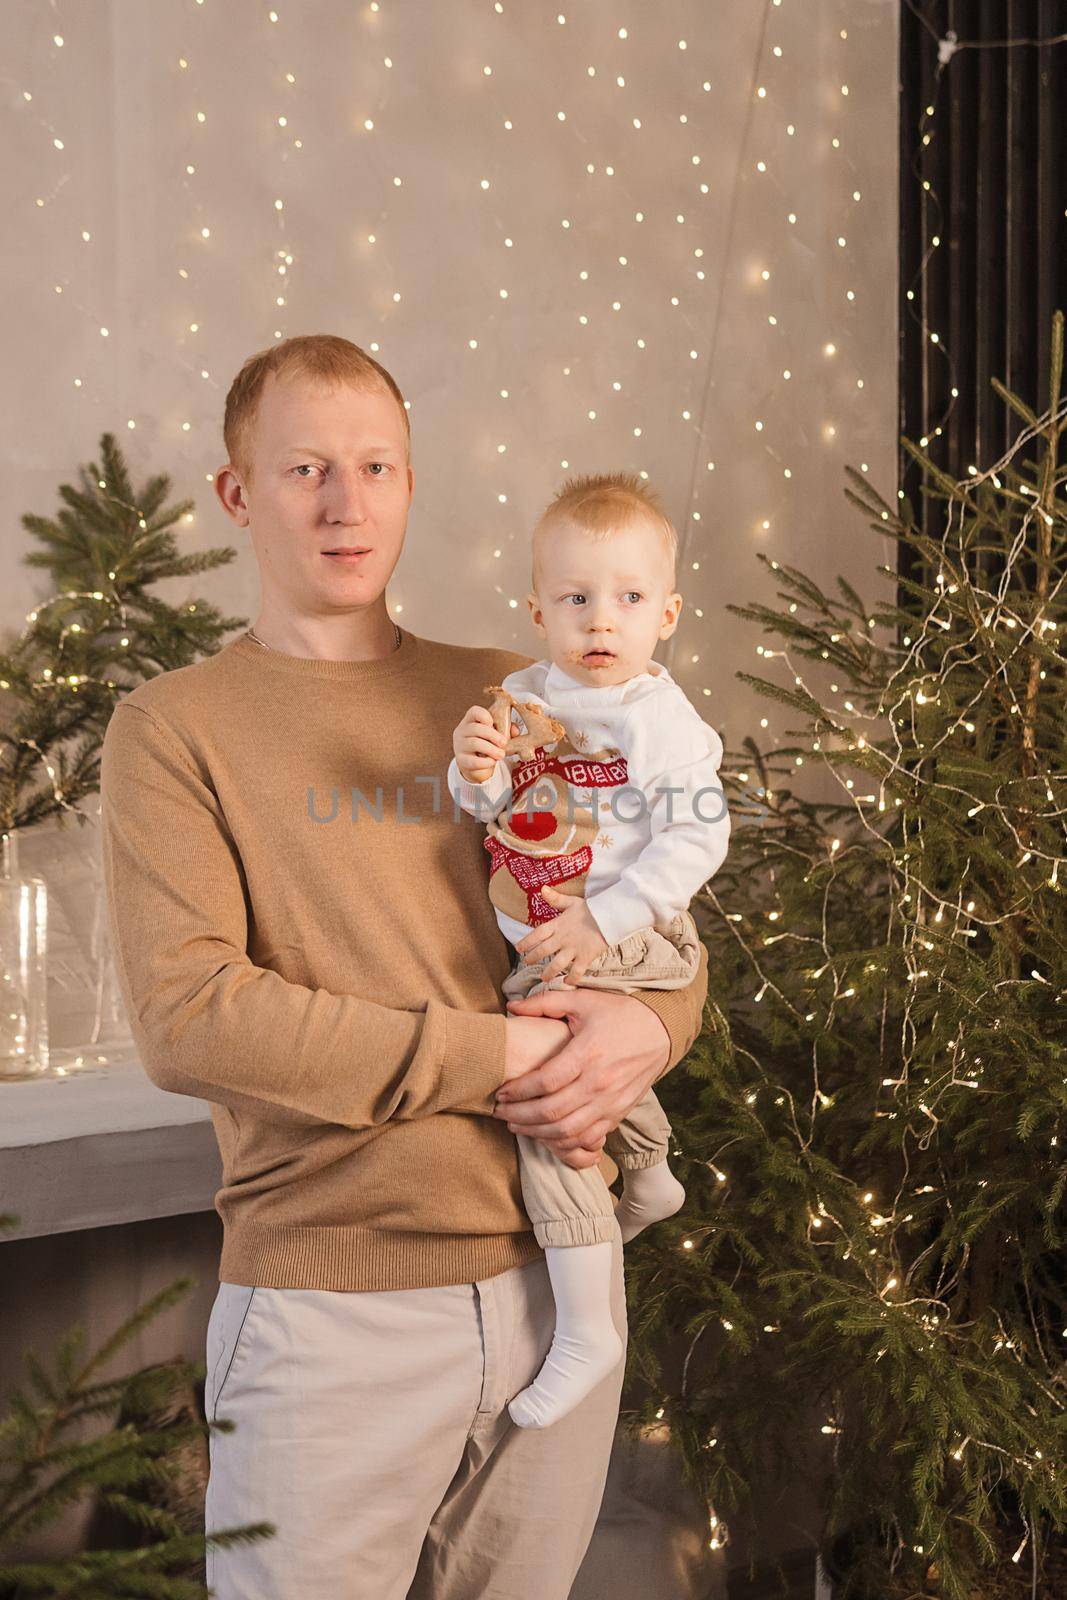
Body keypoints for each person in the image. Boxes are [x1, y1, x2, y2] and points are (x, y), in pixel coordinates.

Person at [99, 334, 709, 1600]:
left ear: (412, 484)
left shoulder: (520, 689)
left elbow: (660, 920)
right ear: (236, 493)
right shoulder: (174, 728)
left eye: (375, 465)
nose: (344, 501)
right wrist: (501, 1056)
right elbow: (193, 1017)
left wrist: (649, 1034)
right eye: (305, 467)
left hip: (555, 1282)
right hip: (332, 1314)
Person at [448, 472, 729, 1432]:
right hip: (552, 929)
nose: (599, 620)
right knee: (571, 1063)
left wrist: (604, 923)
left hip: (624, 931)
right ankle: (649, 1169)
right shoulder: (524, 697)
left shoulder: (658, 720)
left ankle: (585, 1328)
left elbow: (697, 842)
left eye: (628, 599)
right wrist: (473, 769)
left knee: (542, 1104)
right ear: (537, 609)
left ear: (667, 614)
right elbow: (501, 815)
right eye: (574, 599)